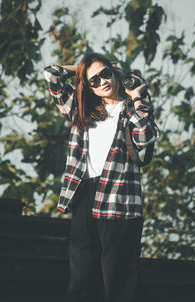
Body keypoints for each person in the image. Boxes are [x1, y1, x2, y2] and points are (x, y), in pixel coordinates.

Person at [43, 52, 159, 302]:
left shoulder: (132, 108)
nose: (101, 82)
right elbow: (51, 74)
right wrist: (83, 70)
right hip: (84, 193)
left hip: (120, 198)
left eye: (105, 74)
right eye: (93, 81)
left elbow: (145, 137)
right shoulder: (82, 109)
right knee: (82, 277)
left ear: (114, 72)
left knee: (118, 281)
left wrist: (137, 97)